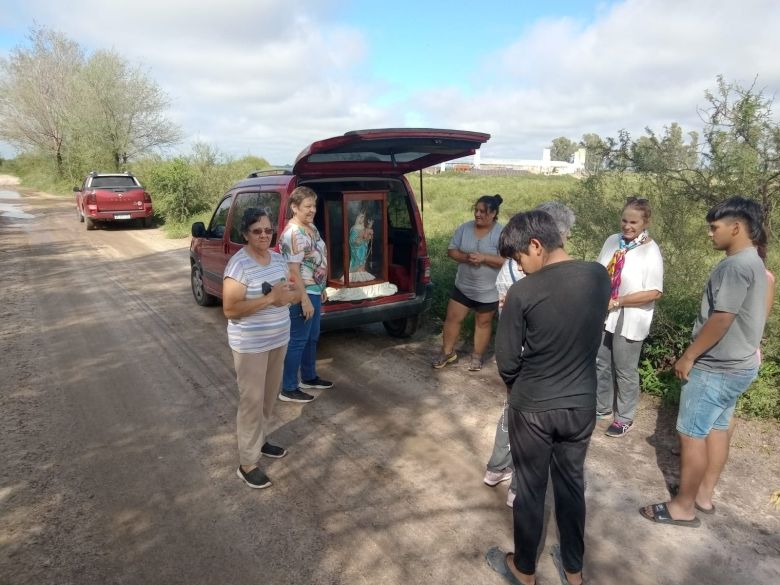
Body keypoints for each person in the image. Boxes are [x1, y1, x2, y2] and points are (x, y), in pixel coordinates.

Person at [486, 210, 610, 585]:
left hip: (534, 407)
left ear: (536, 245)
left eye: (520, 258)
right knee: (572, 485)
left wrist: (519, 389)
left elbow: (506, 360)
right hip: (581, 404)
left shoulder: (522, 293)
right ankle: (574, 571)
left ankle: (524, 569)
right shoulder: (598, 276)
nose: (519, 268)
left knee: (531, 488)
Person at [641, 196, 768, 528]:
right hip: (740, 365)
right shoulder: (754, 262)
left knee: (691, 434)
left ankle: (683, 507)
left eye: (715, 228)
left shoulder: (736, 265)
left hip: (716, 367)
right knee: (718, 428)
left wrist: (688, 356)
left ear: (736, 227)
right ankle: (703, 496)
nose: (710, 234)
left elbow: (722, 318)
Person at [485, 201, 576, 508]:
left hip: (522, 360)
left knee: (512, 413)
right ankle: (517, 485)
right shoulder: (527, 275)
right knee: (528, 424)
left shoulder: (514, 268)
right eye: (562, 235)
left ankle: (497, 468)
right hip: (534, 364)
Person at [223, 209, 300, 489]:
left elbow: (289, 292)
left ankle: (260, 440)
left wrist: (290, 298)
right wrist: (270, 300)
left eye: (268, 230)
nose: (264, 235)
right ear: (245, 234)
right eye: (257, 231)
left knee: (268, 399)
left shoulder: (278, 258)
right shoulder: (238, 266)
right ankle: (247, 463)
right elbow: (230, 310)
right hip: (250, 346)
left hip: (278, 340)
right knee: (252, 402)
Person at [595, 197, 664, 438]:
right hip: (605, 313)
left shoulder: (650, 251)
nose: (627, 226)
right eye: (624, 220)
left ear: (646, 222)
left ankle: (624, 416)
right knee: (600, 361)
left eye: (633, 222)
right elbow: (599, 270)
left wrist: (619, 301)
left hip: (630, 315)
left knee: (624, 369)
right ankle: (601, 407)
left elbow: (654, 292)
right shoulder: (612, 241)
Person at [432, 194, 505, 372]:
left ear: (494, 213)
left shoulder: (502, 233)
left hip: (488, 291)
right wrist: (465, 257)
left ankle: (477, 357)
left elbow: (507, 260)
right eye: (476, 210)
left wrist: (484, 258)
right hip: (463, 287)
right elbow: (451, 251)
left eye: (483, 211)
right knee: (452, 319)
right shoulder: (464, 229)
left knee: (483, 323)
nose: (478, 214)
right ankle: (447, 353)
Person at [279, 186, 332, 403]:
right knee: (298, 340)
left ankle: (309, 377)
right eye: (307, 206)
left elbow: (316, 258)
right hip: (301, 292)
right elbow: (293, 271)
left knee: (312, 337)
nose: (312, 210)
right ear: (294, 207)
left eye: (314, 205)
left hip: (314, 289)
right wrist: (303, 299)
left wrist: (322, 288)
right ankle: (289, 387)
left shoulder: (310, 227)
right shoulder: (293, 233)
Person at [349, 210, 375, 280]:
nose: (362, 219)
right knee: (357, 272)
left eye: (363, 217)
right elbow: (353, 241)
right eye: (360, 217)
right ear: (356, 217)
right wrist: (363, 236)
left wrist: (368, 235)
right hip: (357, 253)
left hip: (363, 252)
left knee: (362, 268)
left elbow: (366, 241)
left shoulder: (363, 228)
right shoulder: (354, 229)